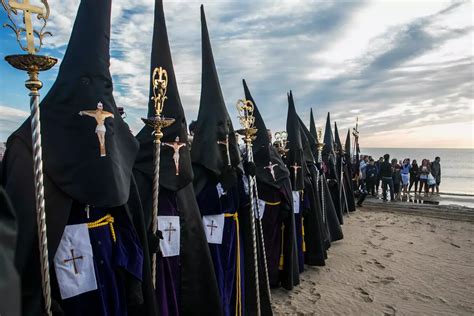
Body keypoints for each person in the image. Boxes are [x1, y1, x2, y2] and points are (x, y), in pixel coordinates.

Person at [2, 1, 154, 314]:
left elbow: (126, 215)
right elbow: (23, 242)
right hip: (62, 277)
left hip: (110, 267)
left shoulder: (118, 140)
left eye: (105, 88)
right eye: (87, 85)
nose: (100, 104)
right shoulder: (30, 144)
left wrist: (132, 258)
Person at [133, 1, 222, 314]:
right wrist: (145, 243)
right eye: (172, 139)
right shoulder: (141, 172)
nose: (177, 146)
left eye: (181, 140)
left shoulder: (185, 181)